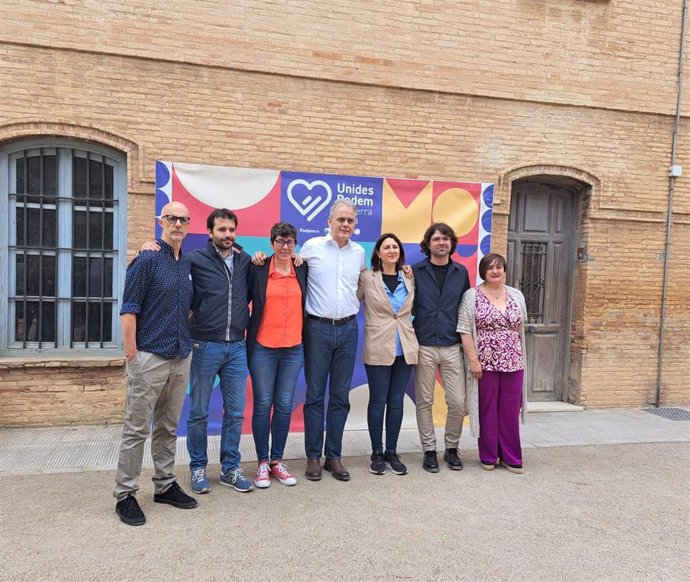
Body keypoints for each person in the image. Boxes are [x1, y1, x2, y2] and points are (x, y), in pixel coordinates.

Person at [141, 207, 253, 494]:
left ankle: (230, 469)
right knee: (200, 412)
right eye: (221, 230)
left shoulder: (245, 260)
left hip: (237, 346)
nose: (227, 235)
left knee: (236, 413)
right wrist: (149, 249)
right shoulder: (194, 259)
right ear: (210, 232)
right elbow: (171, 268)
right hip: (204, 344)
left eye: (231, 230)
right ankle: (198, 467)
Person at [114, 201, 197, 527]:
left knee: (168, 427)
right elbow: (129, 308)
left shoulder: (186, 263)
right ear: (161, 221)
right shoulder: (146, 260)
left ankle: (164, 485)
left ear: (189, 225)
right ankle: (125, 494)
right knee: (136, 429)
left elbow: (188, 307)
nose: (177, 223)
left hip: (180, 356)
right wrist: (132, 353)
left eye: (183, 219)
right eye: (172, 218)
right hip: (149, 357)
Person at [246, 222, 308, 488]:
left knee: (284, 406)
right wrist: (254, 257)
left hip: (294, 348)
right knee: (262, 405)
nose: (285, 247)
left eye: (290, 242)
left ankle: (277, 461)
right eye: (280, 242)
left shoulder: (302, 268)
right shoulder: (258, 268)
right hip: (263, 347)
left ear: (295, 244)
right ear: (271, 244)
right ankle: (262, 462)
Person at [457, 253, 528, 473]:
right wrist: (473, 361)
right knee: (487, 410)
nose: (495, 271)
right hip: (484, 363)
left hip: (514, 362)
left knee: (509, 411)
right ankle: (488, 455)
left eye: (499, 267)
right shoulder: (472, 296)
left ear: (505, 270)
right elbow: (464, 329)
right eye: (490, 268)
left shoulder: (516, 295)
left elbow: (520, 326)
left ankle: (510, 456)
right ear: (483, 272)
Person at [358, 232, 418, 476]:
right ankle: (376, 452)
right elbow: (351, 300)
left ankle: (392, 451)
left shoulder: (409, 276)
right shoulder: (366, 277)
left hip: (405, 346)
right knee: (377, 400)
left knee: (396, 401)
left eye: (395, 246)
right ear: (378, 253)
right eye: (387, 247)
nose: (392, 250)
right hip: (378, 345)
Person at [412, 223, 470, 473]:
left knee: (457, 402)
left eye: (446, 238)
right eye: (436, 238)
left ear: (452, 243)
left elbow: (466, 309)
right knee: (424, 402)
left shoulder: (461, 272)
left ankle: (452, 448)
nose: (441, 242)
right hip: (423, 344)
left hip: (451, 345)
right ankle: (428, 451)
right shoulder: (414, 271)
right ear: (428, 243)